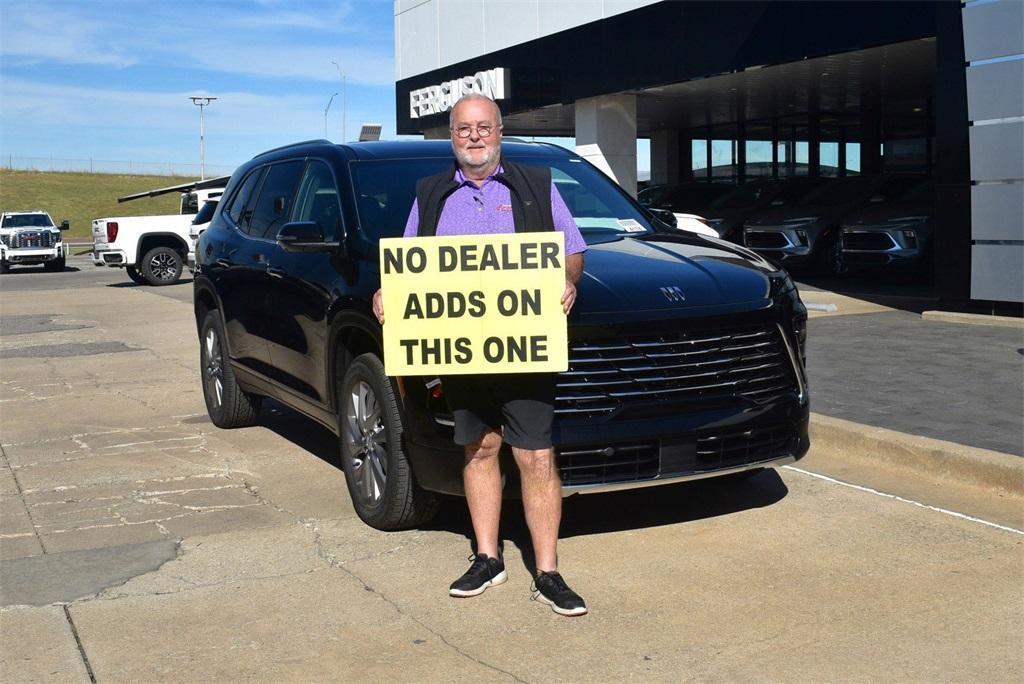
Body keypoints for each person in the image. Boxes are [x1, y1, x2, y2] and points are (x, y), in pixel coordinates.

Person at [372, 93, 588, 616]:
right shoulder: (429, 195)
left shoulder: (536, 185)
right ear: (451, 135)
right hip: (462, 352)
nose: (474, 136)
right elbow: (408, 261)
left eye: (483, 127)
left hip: (526, 350)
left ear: (499, 132)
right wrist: (388, 294)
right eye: (464, 128)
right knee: (478, 449)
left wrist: (567, 282)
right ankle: (487, 558)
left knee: (535, 455)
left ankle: (548, 570)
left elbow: (572, 250)